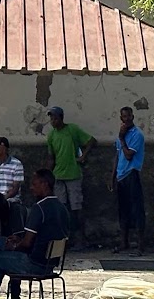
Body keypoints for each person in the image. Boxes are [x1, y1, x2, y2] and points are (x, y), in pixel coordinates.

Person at [0, 169, 72, 299]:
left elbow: (26, 244)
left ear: (45, 184)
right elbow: (47, 237)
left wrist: (14, 246)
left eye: (34, 184)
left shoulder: (39, 208)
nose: (31, 188)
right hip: (51, 263)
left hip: (36, 264)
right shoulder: (62, 208)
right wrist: (17, 240)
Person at [44, 106, 93, 247]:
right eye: (51, 118)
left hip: (73, 174)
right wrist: (47, 174)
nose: (53, 121)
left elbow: (90, 141)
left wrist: (83, 156)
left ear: (61, 118)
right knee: (62, 209)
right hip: (58, 175)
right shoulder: (52, 136)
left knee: (77, 207)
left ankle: (81, 238)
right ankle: (65, 238)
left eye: (55, 118)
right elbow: (51, 157)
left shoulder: (72, 130)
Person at [112, 107, 146, 254]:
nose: (126, 119)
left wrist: (122, 138)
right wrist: (112, 176)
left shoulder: (136, 135)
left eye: (128, 116)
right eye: (123, 117)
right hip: (121, 176)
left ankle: (140, 245)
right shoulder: (121, 135)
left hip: (131, 173)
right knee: (123, 211)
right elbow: (118, 156)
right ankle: (123, 242)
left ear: (132, 116)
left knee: (137, 210)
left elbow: (128, 155)